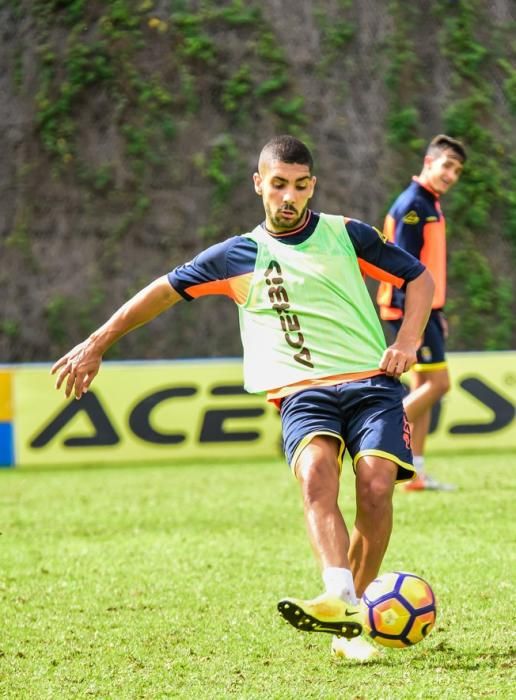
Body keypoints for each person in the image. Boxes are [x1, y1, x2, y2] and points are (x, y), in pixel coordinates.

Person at [52, 135, 434, 661]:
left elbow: (419, 276)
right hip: (303, 394)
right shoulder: (236, 254)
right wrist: (96, 344)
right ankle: (342, 600)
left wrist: (409, 341)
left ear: (312, 186)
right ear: (259, 184)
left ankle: (349, 614)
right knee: (315, 476)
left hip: (372, 384)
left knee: (374, 487)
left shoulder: (347, 234)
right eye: (278, 185)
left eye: (300, 186)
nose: (288, 197)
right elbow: (160, 292)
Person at [377, 134, 466, 492]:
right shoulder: (413, 205)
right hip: (410, 310)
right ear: (429, 163)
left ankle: (415, 474)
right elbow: (403, 267)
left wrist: (438, 309)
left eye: (457, 170)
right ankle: (377, 433)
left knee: (423, 387)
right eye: (447, 165)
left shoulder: (429, 203)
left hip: (428, 310)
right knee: (439, 384)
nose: (451, 174)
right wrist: (412, 320)